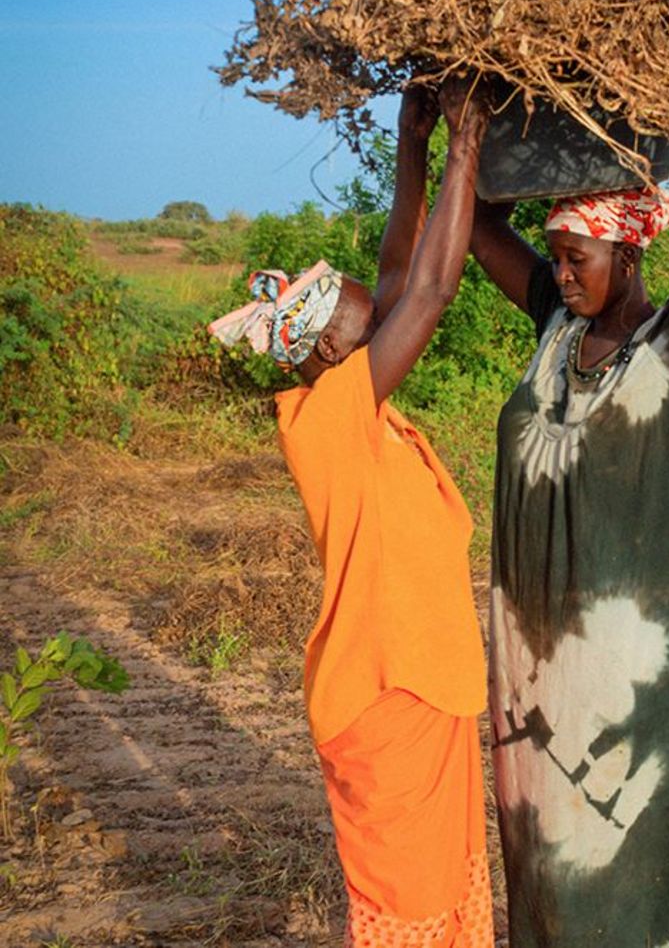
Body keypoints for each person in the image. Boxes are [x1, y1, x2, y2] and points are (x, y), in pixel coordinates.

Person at [209, 81, 494, 948]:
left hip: (422, 687)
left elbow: (406, 277)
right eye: (360, 312)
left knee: (443, 896)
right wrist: (467, 143)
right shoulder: (325, 421)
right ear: (331, 351)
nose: (380, 302)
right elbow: (432, 291)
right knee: (409, 910)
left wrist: (413, 150)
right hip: (386, 697)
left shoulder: (363, 414)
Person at [469, 132, 669, 947]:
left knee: (630, 841)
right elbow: (481, 228)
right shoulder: (555, 326)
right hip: (536, 666)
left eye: (576, 258)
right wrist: (503, 126)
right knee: (550, 851)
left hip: (633, 681)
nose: (560, 274)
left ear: (627, 255)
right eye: (554, 258)